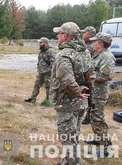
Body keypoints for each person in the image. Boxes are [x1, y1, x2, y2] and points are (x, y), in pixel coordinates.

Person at [50, 22, 92, 164]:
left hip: (68, 103)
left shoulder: (63, 55)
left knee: (67, 137)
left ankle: (74, 162)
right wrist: (85, 93)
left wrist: (77, 92)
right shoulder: (85, 51)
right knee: (74, 134)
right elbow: (89, 74)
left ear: (66, 36)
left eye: (60, 33)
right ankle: (68, 160)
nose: (57, 36)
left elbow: (66, 80)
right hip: (81, 103)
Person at [85, 32, 115, 156]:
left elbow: (106, 76)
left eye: (95, 41)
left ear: (101, 43)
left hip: (100, 93)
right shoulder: (98, 55)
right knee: (93, 117)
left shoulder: (107, 57)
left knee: (98, 119)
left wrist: (88, 76)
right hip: (95, 91)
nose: (93, 43)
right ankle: (99, 140)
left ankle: (106, 148)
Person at [25, 37, 55, 104]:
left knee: (48, 87)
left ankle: (48, 101)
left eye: (41, 42)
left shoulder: (50, 51)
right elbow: (39, 61)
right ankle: (32, 99)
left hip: (48, 73)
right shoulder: (41, 51)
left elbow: (53, 63)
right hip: (41, 72)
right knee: (36, 85)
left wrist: (49, 71)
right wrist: (38, 68)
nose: (39, 44)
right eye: (39, 43)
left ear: (45, 43)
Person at [80, 26, 97, 125]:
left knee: (90, 97)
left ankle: (89, 117)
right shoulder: (85, 44)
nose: (83, 35)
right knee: (86, 95)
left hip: (89, 75)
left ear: (90, 35)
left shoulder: (90, 46)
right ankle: (87, 116)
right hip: (85, 74)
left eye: (85, 33)